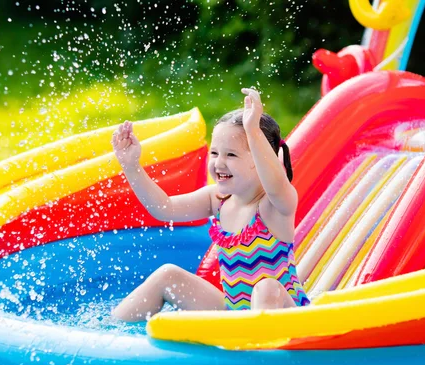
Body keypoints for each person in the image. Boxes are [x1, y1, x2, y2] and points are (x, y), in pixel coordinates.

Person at [111, 88, 310, 322]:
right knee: (167, 275)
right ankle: (107, 340)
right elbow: (164, 208)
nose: (219, 163)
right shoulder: (218, 200)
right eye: (215, 153)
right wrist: (131, 166)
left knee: (266, 288)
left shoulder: (275, 205)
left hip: (287, 317)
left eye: (231, 155)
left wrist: (253, 131)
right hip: (236, 316)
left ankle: (257, 352)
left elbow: (276, 183)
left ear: (260, 159)